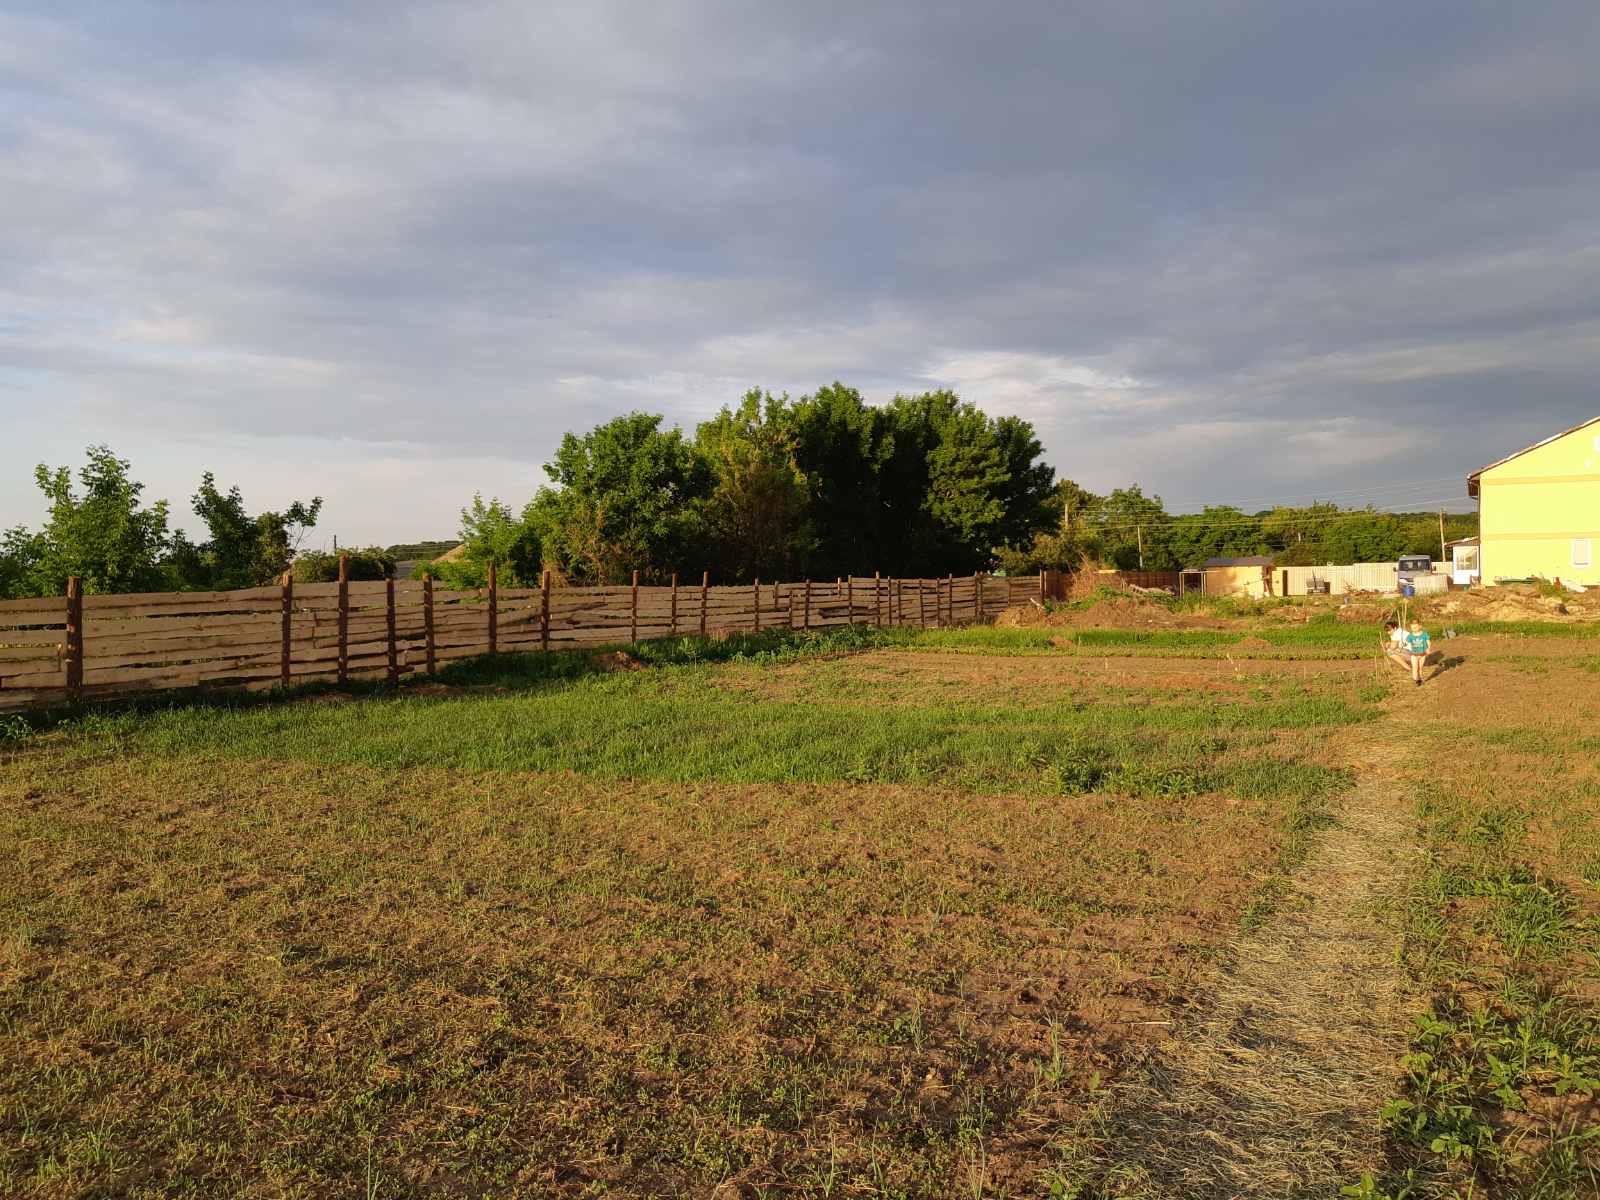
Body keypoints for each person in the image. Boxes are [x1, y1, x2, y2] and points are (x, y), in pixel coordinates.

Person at [1404, 619, 1431, 686]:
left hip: (1422, 654)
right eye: (1412, 628)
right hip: (1414, 654)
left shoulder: (1424, 634)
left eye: (1415, 627)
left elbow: (1428, 642)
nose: (1414, 629)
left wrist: (1428, 649)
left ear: (1420, 626)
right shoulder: (1410, 636)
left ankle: (1421, 678)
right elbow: (1406, 642)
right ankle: (1416, 680)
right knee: (1415, 668)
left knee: (1420, 668)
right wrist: (1403, 644)